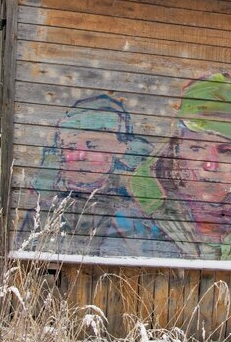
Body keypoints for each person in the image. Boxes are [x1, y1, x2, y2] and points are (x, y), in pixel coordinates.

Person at [105, 73, 231, 261]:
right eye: (196, 148)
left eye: (227, 151)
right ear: (176, 153)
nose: (210, 164)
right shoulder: (136, 224)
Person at [14, 94, 149, 253]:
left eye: (93, 146)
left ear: (115, 153)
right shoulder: (41, 213)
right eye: (71, 147)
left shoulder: (127, 214)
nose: (81, 156)